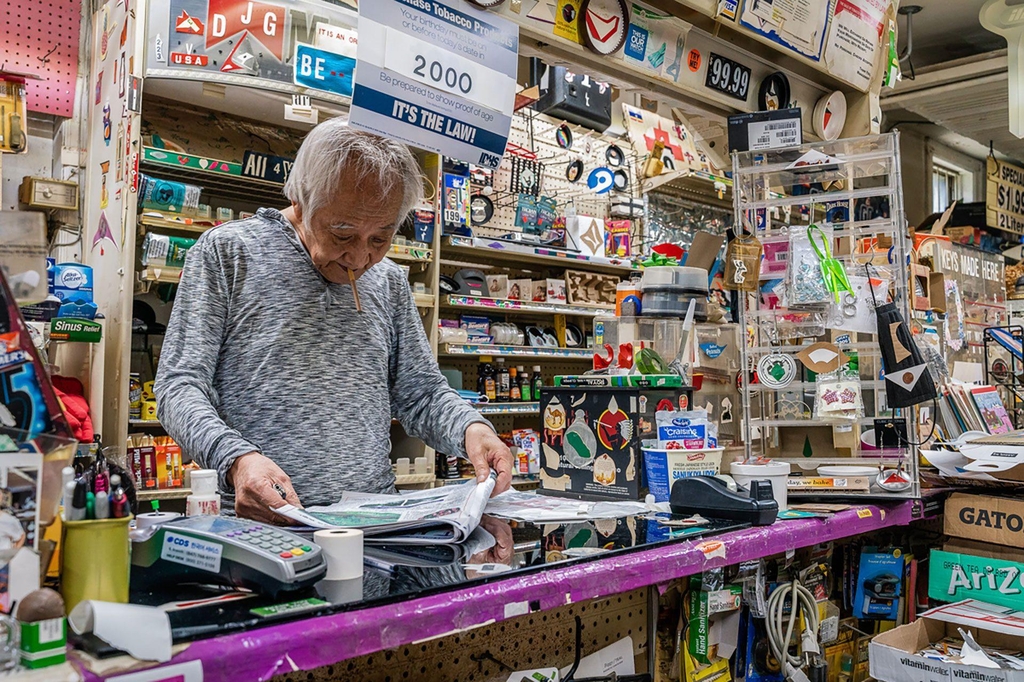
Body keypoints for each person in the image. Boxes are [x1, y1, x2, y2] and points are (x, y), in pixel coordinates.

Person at [156, 120, 513, 523]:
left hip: (374, 528)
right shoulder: (228, 253)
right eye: (343, 234)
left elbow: (421, 394)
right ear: (302, 199)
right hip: (261, 526)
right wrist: (236, 458)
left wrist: (471, 429)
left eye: (381, 237)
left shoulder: (389, 281)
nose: (361, 258)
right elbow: (179, 386)